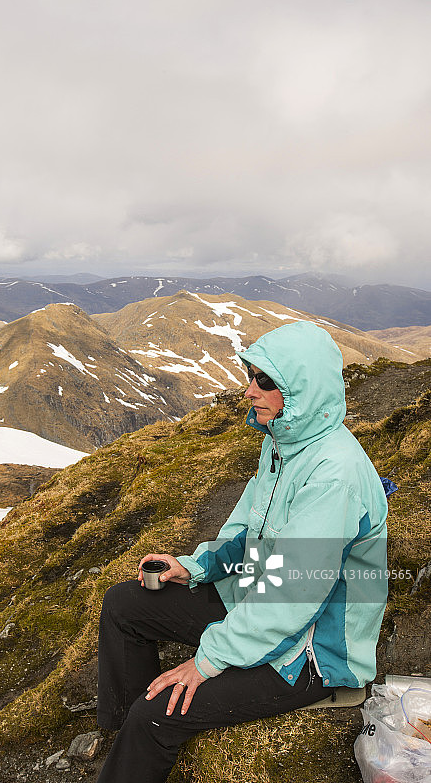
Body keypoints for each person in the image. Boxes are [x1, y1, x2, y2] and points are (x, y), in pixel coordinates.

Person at [95, 321, 391, 783]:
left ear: (301, 390)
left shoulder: (334, 476)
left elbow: (292, 595)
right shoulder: (282, 443)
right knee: (122, 605)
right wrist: (192, 568)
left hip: (311, 651)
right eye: (251, 376)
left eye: (265, 381)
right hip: (259, 601)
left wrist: (206, 661)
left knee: (156, 714)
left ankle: (142, 728)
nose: (250, 390)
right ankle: (126, 737)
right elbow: (247, 533)